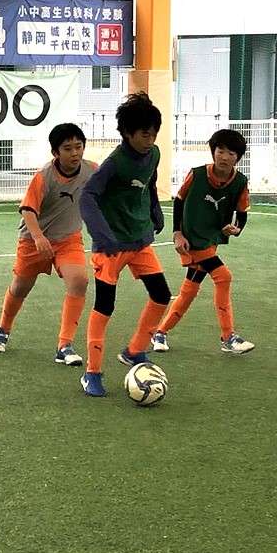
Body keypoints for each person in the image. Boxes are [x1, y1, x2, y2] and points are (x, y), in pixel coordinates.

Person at [77, 91, 172, 397]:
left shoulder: (154, 154)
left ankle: (134, 351)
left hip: (140, 241)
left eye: (154, 133)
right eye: (145, 134)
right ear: (128, 133)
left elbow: (150, 184)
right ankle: (92, 373)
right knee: (105, 306)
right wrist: (102, 235)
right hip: (111, 247)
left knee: (161, 295)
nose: (150, 139)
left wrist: (154, 210)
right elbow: (87, 197)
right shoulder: (114, 163)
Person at [0, 123, 96, 365]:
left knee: (79, 280)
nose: (75, 153)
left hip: (68, 239)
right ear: (55, 153)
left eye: (78, 146)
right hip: (34, 240)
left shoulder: (92, 170)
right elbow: (27, 210)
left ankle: (65, 345)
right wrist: (38, 237)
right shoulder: (43, 176)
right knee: (20, 287)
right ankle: (3, 329)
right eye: (67, 148)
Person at [151, 128, 254, 355]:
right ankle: (228, 337)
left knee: (189, 290)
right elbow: (179, 201)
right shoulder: (197, 174)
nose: (224, 157)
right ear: (213, 151)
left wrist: (236, 229)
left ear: (238, 157)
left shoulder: (240, 182)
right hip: (191, 240)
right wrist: (177, 233)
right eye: (220, 151)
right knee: (223, 276)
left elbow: (242, 213)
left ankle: (160, 332)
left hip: (211, 240)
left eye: (231, 153)